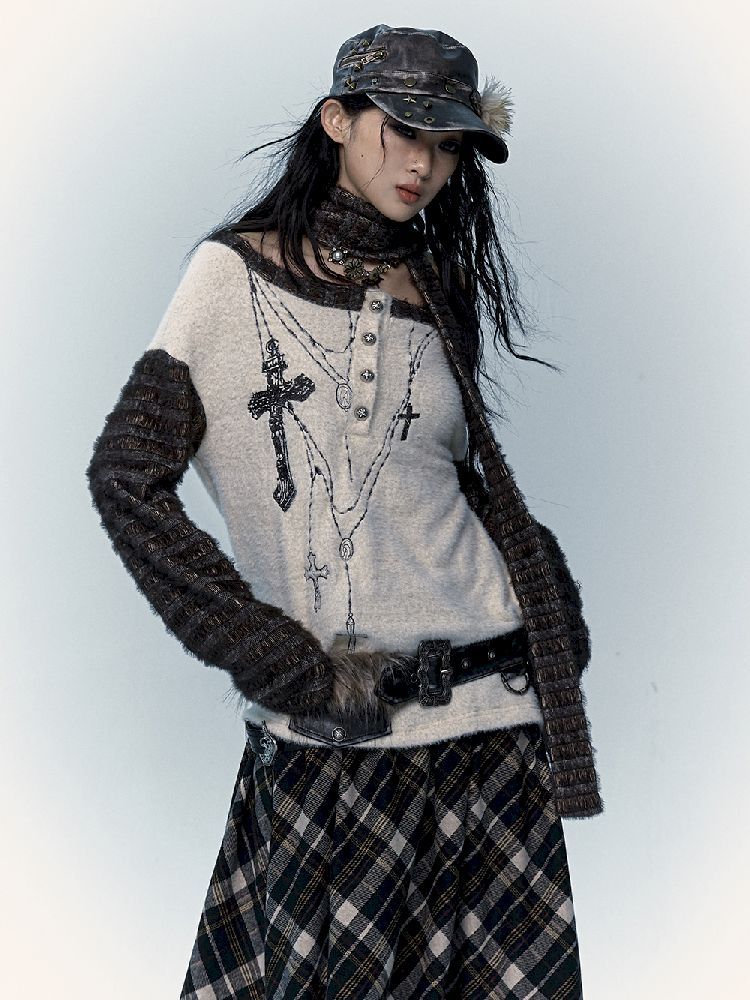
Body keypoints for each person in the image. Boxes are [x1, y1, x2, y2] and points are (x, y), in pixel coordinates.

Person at [86, 23, 602, 1000]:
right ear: (336, 119)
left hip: (495, 722)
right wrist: (274, 658)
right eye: (403, 131)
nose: (424, 166)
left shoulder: (440, 292)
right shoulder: (229, 278)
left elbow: (442, 484)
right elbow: (126, 476)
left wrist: (551, 596)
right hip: (340, 733)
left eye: (447, 146)